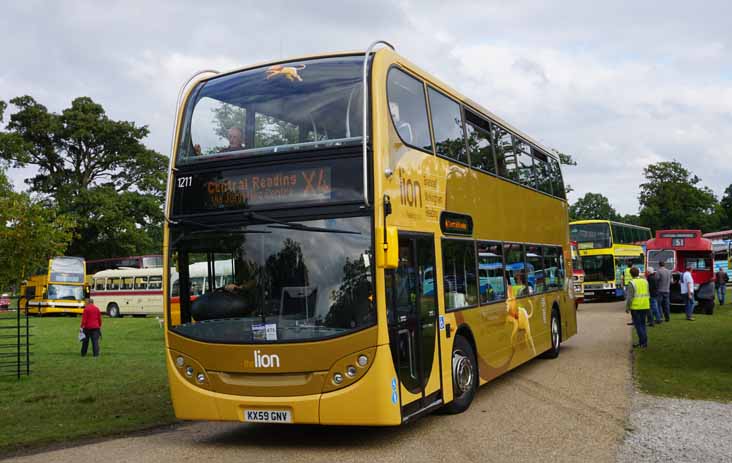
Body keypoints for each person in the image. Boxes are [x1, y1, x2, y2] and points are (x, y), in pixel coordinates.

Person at [626, 267, 650, 348]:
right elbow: (648, 293)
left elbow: (630, 298)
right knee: (643, 324)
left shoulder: (632, 283)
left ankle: (643, 343)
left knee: (638, 325)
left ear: (631, 274)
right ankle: (643, 342)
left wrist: (627, 307)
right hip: (645, 305)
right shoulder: (645, 281)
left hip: (636, 307)